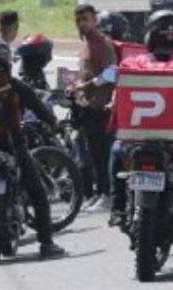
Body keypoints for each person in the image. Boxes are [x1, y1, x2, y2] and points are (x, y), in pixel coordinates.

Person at [110, 11, 173, 270]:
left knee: (114, 157)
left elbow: (117, 99)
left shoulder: (133, 63)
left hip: (134, 144)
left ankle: (117, 208)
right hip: (172, 146)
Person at [0, 40, 65, 259]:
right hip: (11, 148)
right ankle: (46, 243)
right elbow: (39, 107)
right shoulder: (15, 86)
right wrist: (53, 123)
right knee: (38, 192)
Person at [71, 2, 117, 208]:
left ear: (95, 21)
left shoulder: (102, 43)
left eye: (85, 20)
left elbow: (112, 72)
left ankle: (107, 194)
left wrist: (89, 84)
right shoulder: (85, 43)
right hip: (87, 107)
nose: (81, 24)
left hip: (102, 108)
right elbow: (84, 73)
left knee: (103, 153)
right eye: (78, 20)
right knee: (92, 153)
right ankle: (98, 194)